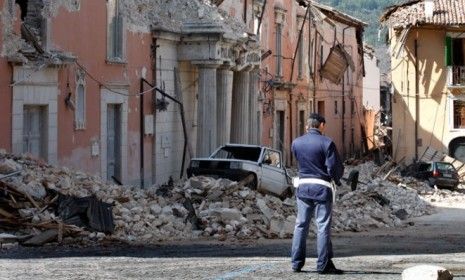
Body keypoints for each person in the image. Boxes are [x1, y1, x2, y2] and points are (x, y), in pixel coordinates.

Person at [290, 113, 344, 274]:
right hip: (322, 188)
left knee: (301, 225)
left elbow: (299, 161)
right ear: (321, 125)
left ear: (307, 126)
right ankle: (323, 265)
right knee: (323, 227)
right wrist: (337, 179)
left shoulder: (296, 143)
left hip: (303, 187)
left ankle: (296, 264)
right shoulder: (327, 143)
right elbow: (334, 168)